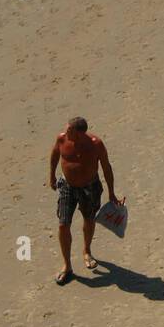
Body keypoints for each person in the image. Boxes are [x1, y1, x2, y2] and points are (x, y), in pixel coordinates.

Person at [47, 116, 121, 285]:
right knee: (63, 224)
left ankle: (87, 250)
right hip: (67, 186)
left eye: (70, 131)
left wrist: (111, 193)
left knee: (89, 219)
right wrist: (51, 175)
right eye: (67, 129)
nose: (66, 132)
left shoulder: (96, 144)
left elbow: (106, 167)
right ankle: (67, 266)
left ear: (80, 134)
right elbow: (54, 155)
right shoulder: (61, 139)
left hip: (90, 187)